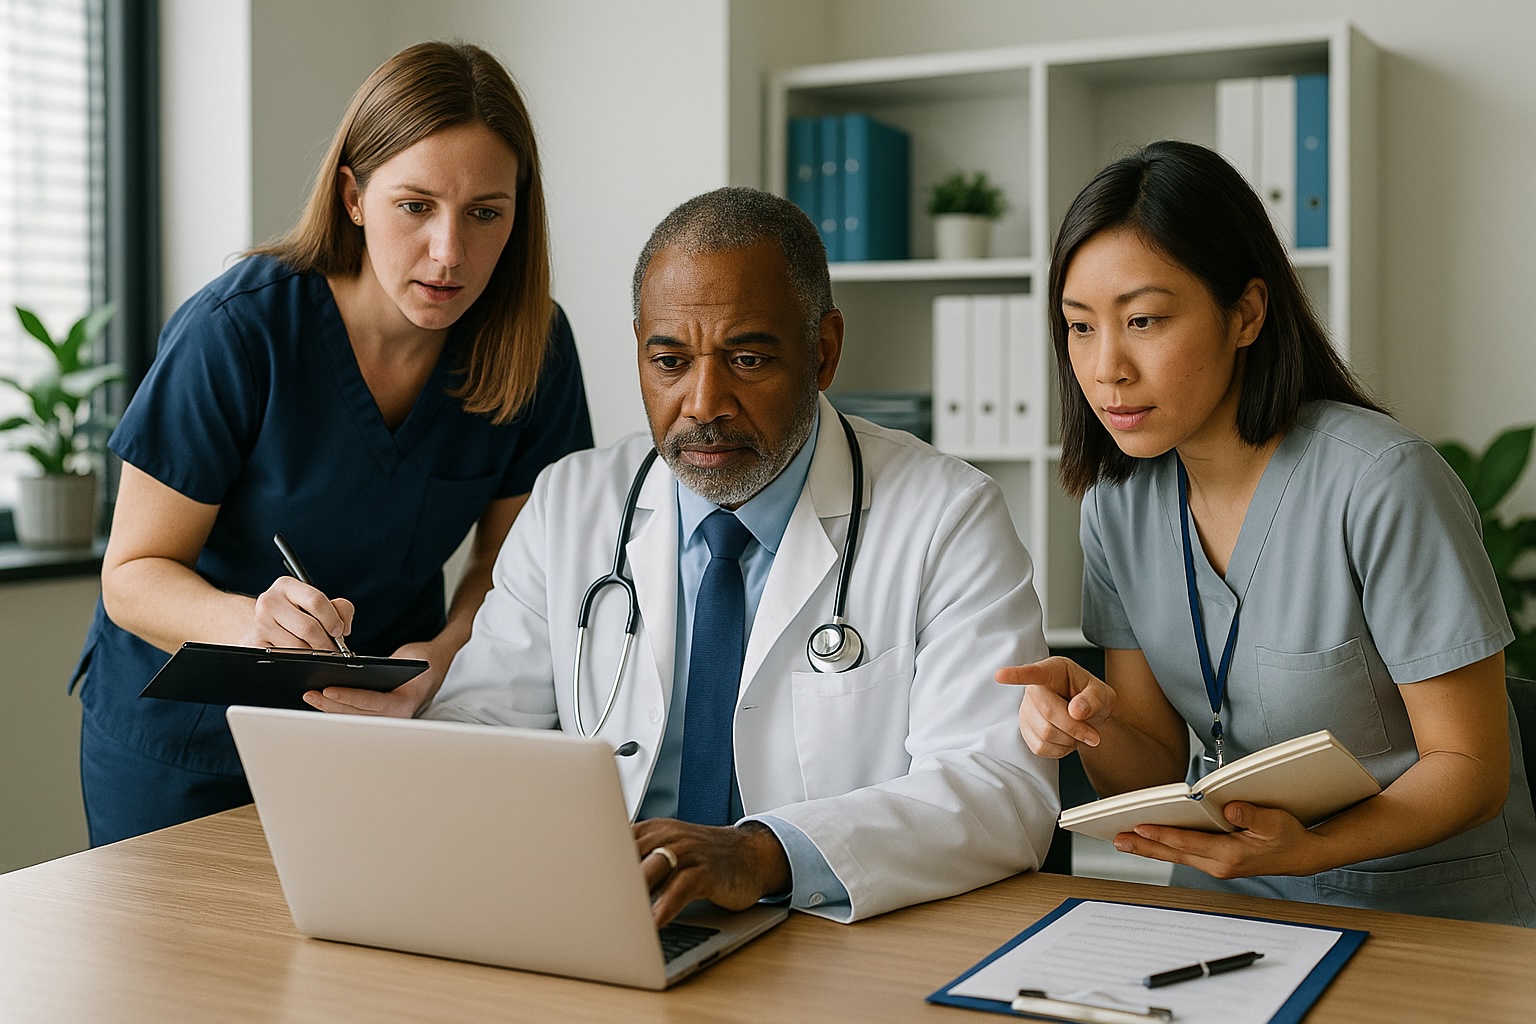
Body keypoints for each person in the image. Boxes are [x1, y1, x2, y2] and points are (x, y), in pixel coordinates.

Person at [402, 186, 1058, 925]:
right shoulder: (569, 503)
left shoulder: (947, 515)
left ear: (824, 350)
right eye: (670, 361)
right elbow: (482, 723)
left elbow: (1001, 789)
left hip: (825, 930)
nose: (702, 402)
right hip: (611, 916)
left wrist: (762, 853)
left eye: (747, 358)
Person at [999, 139, 1536, 926]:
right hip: (1228, 901)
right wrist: (1090, 723)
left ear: (1245, 313)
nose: (1107, 365)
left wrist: (1309, 851)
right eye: (1080, 328)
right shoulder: (1116, 508)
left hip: (1425, 911)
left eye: (1143, 319)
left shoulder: (1382, 481)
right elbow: (1148, 763)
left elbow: (1471, 767)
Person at [75, 41, 593, 846]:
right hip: (185, 745)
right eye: (415, 206)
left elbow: (509, 567)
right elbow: (133, 578)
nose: (449, 252)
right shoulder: (238, 333)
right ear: (353, 195)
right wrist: (255, 625)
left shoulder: (534, 345)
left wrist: (445, 658)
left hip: (376, 732)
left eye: (485, 212)